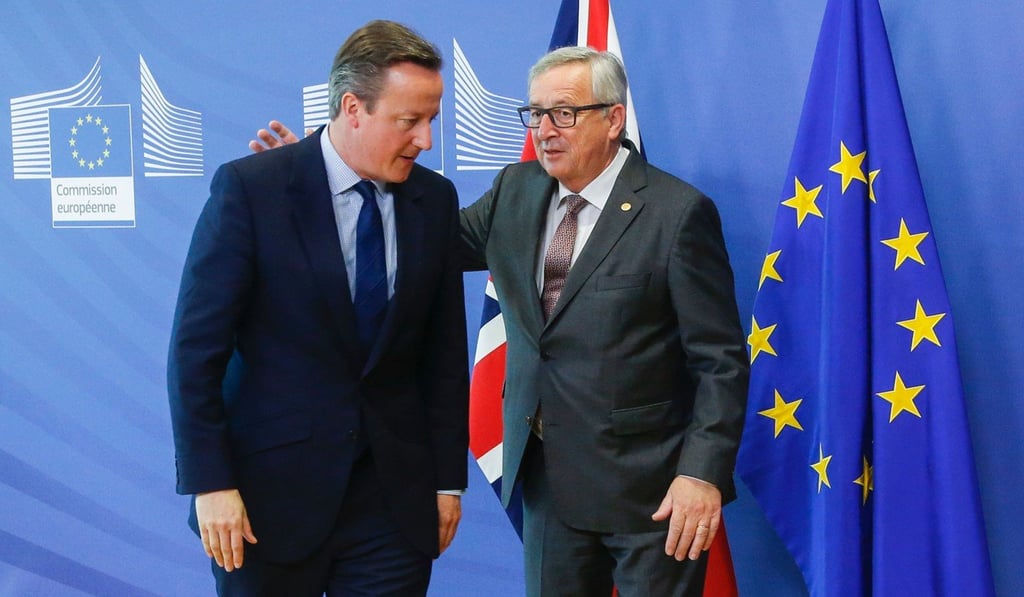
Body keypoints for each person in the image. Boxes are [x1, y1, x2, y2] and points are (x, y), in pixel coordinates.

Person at [253, 46, 748, 597]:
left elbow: (720, 363)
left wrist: (700, 474)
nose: (545, 130)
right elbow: (420, 244)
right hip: (547, 482)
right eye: (535, 114)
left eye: (564, 113)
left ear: (612, 119)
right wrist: (328, 180)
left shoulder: (677, 214)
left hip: (652, 494)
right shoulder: (516, 190)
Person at [168, 20, 469, 596]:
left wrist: (446, 483)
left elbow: (444, 354)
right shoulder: (252, 190)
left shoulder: (434, 199)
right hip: (266, 504)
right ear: (353, 108)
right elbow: (195, 353)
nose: (425, 140)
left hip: (393, 507)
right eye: (409, 121)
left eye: (432, 119)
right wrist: (210, 483)